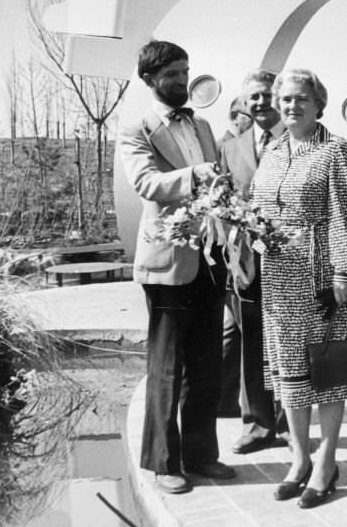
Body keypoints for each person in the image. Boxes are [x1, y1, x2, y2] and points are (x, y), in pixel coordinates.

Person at [118, 40, 235, 495]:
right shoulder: (137, 128)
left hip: (209, 259)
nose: (183, 81)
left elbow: (217, 182)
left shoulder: (203, 125)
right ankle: (164, 463)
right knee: (167, 367)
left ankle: (201, 456)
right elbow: (147, 183)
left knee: (207, 365)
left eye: (186, 71)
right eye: (173, 75)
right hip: (168, 263)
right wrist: (197, 175)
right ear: (150, 79)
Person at [250, 68, 347, 508]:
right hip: (278, 278)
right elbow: (257, 204)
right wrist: (253, 230)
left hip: (319, 278)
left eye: (301, 98)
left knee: (328, 373)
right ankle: (299, 459)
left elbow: (345, 213)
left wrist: (344, 273)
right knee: (290, 372)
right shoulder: (274, 149)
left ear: (318, 103)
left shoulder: (334, 149)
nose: (291, 106)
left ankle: (326, 461)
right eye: (285, 99)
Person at [217, 69, 287, 453]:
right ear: (244, 104)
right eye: (253, 98)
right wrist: (232, 252)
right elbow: (225, 204)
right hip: (247, 264)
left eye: (266, 95)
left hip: (291, 260)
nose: (260, 103)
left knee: (292, 341)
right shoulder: (232, 148)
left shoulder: (301, 139)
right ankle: (259, 425)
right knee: (252, 345)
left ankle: (291, 421)